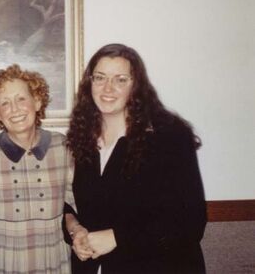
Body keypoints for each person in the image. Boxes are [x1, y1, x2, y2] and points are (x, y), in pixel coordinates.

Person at [64, 43, 207, 273]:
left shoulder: (168, 135)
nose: (108, 88)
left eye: (120, 79)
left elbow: (190, 222)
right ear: (89, 83)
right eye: (100, 78)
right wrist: (76, 232)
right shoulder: (83, 138)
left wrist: (118, 237)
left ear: (136, 86)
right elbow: (74, 205)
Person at [0, 64, 76, 273]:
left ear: (37, 101)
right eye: (5, 103)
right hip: (4, 262)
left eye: (21, 99)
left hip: (54, 262)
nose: (14, 109)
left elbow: (72, 204)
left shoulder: (63, 146)